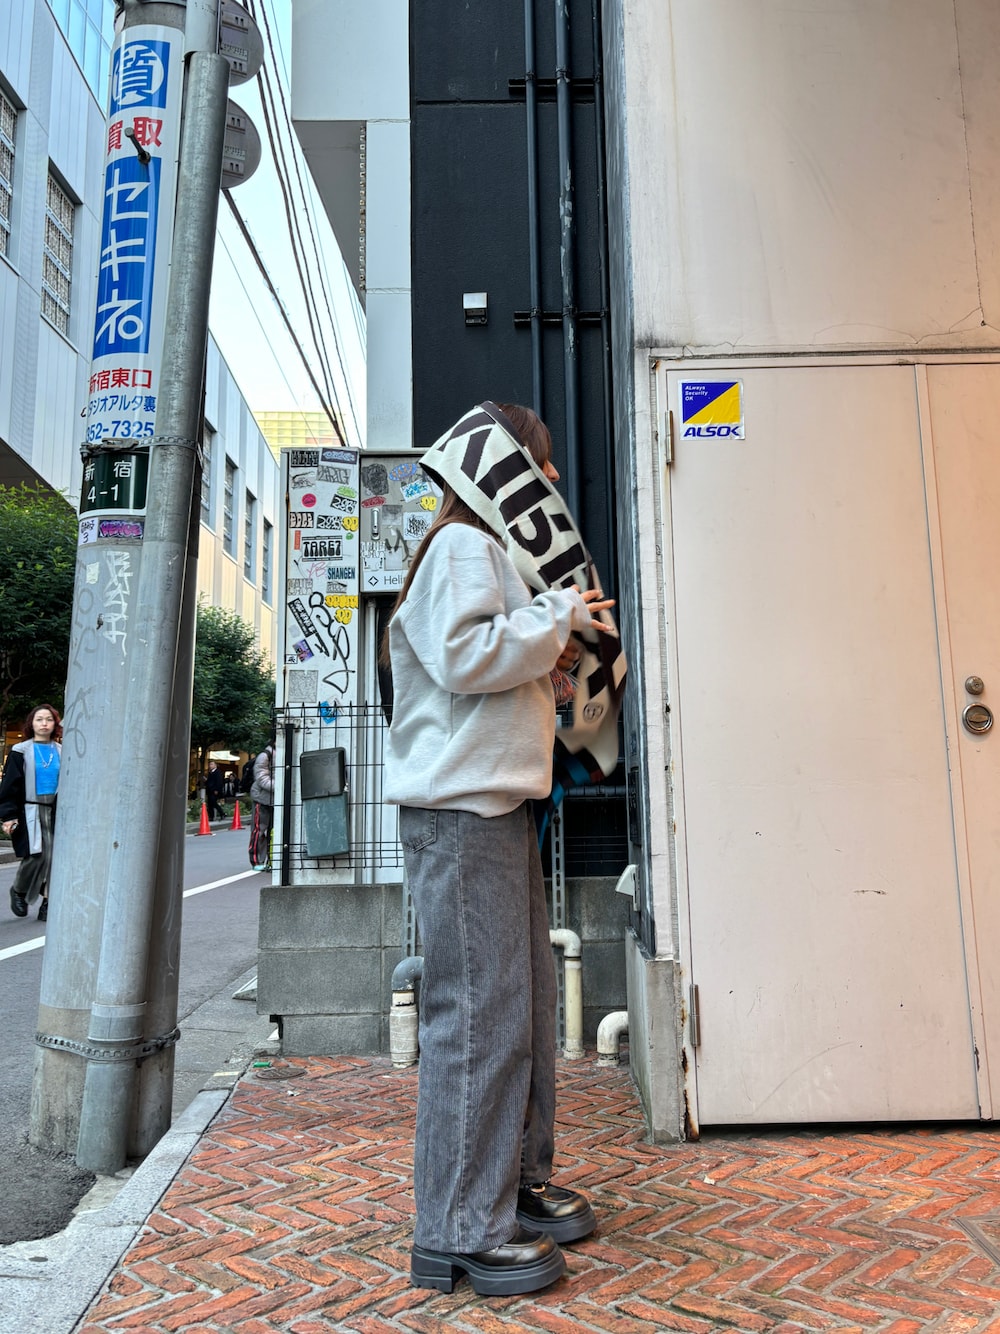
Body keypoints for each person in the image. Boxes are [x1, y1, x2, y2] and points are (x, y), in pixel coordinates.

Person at [382, 402, 619, 1298]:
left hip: (492, 805)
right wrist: (558, 613)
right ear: (506, 469)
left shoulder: (486, 555)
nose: (551, 479)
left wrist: (551, 665)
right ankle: (457, 1229)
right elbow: (464, 655)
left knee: (515, 1010)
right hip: (461, 812)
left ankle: (508, 1189)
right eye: (539, 461)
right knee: (480, 1015)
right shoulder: (463, 547)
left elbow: (485, 670)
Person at [0, 704, 62, 922]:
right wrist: (8, 816)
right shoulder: (21, 751)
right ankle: (19, 890)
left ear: (55, 724)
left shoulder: (62, 751)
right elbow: (10, 786)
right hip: (30, 810)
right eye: (39, 719)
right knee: (37, 856)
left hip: (57, 812)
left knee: (56, 858)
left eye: (49, 719)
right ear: (31, 723)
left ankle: (47, 902)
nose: (44, 723)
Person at [248, 743, 274, 870]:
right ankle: (257, 861)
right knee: (259, 830)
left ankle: (270, 860)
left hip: (275, 799)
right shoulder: (265, 756)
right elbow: (262, 779)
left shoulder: (283, 752)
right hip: (262, 798)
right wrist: (281, 785)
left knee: (273, 832)